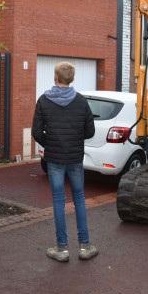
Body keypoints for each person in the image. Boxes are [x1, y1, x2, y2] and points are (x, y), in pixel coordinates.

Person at [31, 62, 97, 262]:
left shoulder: (44, 101)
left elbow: (36, 132)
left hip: (55, 158)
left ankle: (62, 248)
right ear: (72, 79)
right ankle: (85, 246)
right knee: (79, 198)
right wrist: (75, 140)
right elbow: (90, 131)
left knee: (58, 201)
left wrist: (50, 143)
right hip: (75, 157)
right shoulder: (81, 101)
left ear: (55, 78)